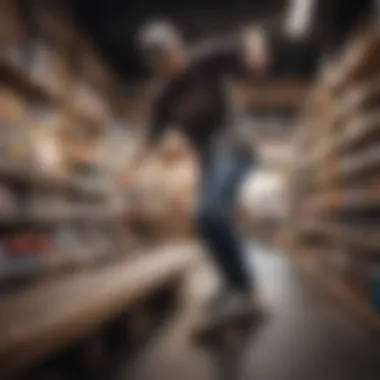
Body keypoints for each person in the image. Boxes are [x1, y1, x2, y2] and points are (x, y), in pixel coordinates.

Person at [135, 21, 271, 322]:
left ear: (178, 46)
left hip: (236, 145)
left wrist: (255, 46)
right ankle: (230, 284)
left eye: (168, 55)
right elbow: (151, 136)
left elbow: (248, 35)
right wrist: (134, 165)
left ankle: (248, 291)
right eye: (158, 63)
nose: (167, 66)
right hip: (209, 158)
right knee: (204, 221)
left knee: (210, 212)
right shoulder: (163, 96)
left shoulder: (205, 58)